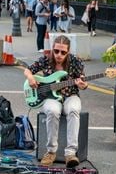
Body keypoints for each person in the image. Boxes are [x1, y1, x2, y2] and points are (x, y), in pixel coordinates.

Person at [24, 35, 88, 168]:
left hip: (71, 95)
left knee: (73, 110)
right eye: (56, 51)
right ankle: (51, 151)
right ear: (52, 49)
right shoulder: (46, 59)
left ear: (68, 52)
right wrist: (30, 77)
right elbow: (28, 69)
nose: (59, 55)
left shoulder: (76, 62)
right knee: (53, 111)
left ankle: (70, 153)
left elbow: (82, 80)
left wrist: (83, 85)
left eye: (63, 52)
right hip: (50, 97)